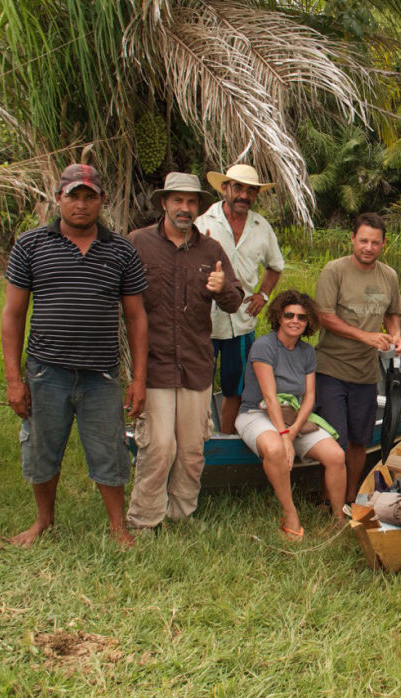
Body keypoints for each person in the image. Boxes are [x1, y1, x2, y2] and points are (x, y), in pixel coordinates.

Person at [1, 163, 148, 547]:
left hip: (101, 375)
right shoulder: (30, 245)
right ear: (58, 199)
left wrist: (139, 378)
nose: (81, 204)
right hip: (46, 372)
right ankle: (43, 521)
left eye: (89, 196)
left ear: (102, 200)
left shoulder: (121, 250)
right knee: (41, 448)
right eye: (73, 196)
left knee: (109, 451)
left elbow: (136, 317)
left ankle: (118, 528)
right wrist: (14, 380)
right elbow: (13, 315)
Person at [125, 172, 243, 530]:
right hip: (154, 364)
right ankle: (144, 519)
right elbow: (118, 298)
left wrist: (223, 288)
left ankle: (181, 513)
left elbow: (235, 302)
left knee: (191, 450)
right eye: (177, 200)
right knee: (159, 447)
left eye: (191, 202)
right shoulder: (137, 243)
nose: (184, 208)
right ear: (164, 203)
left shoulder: (211, 250)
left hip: (195, 364)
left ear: (198, 208)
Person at [236, 291, 348, 539]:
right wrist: (285, 437)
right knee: (275, 449)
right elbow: (270, 396)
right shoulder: (264, 346)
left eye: (302, 317)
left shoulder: (307, 352)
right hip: (257, 412)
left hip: (292, 417)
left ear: (309, 322)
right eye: (289, 315)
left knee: (336, 455)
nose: (295, 321)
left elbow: (309, 398)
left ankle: (338, 518)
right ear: (279, 317)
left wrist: (292, 431)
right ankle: (290, 514)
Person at [315, 213, 401, 504]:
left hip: (366, 374)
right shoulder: (334, 271)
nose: (368, 247)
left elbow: (392, 313)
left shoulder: (388, 275)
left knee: (359, 441)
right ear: (352, 239)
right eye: (363, 240)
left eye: (375, 242)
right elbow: (324, 317)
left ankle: (350, 497)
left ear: (383, 244)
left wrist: (396, 335)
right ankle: (333, 501)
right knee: (335, 440)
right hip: (331, 368)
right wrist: (366, 336)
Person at [195, 164, 285, 434]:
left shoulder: (261, 227)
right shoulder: (203, 224)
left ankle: (226, 437)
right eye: (238, 188)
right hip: (205, 322)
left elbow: (275, 265)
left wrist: (264, 294)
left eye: (251, 190)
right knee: (200, 385)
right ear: (225, 188)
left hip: (242, 321)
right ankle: (199, 442)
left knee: (235, 387)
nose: (244, 195)